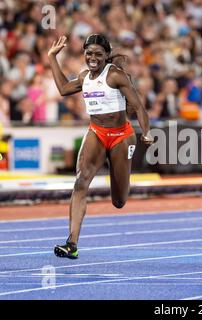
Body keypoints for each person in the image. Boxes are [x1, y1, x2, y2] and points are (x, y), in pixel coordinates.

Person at [48, 34, 154, 259]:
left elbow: (138, 107)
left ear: (106, 55)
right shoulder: (84, 76)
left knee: (119, 201)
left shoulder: (116, 75)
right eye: (89, 53)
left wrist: (147, 132)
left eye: (98, 54)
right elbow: (64, 89)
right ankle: (72, 243)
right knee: (80, 182)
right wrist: (52, 58)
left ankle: (120, 179)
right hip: (96, 132)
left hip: (121, 137)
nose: (92, 58)